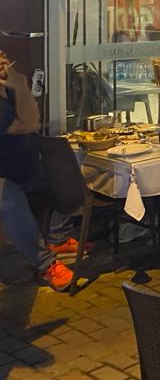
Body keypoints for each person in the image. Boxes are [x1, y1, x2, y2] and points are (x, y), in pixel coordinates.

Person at [1, 52, 73, 291]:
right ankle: (46, 264)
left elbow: (32, 117)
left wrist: (17, 85)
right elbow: (26, 125)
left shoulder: (9, 88)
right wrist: (19, 86)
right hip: (4, 177)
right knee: (10, 201)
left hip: (23, 167)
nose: (2, 59)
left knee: (64, 174)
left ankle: (58, 238)